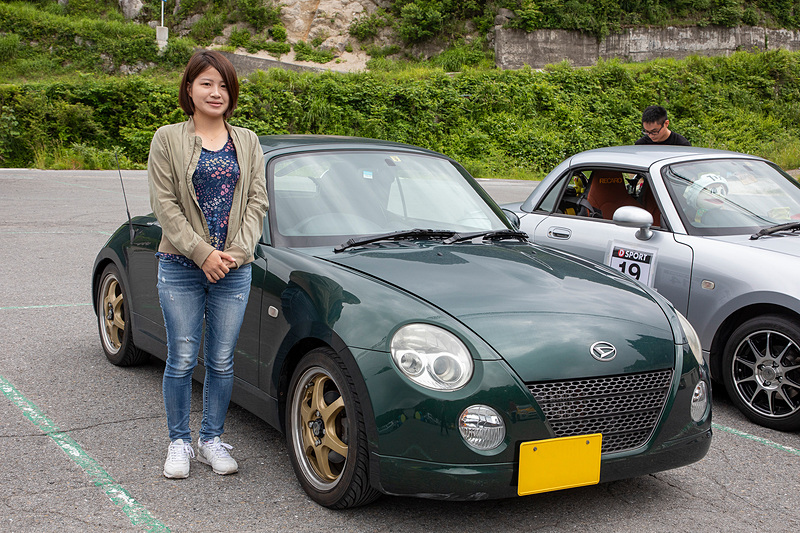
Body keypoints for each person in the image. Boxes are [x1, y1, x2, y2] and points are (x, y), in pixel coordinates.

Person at [147, 50, 268, 479]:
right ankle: (179, 442)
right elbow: (164, 206)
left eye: (223, 85)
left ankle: (211, 438)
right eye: (206, 83)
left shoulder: (248, 141)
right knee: (181, 357)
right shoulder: (167, 138)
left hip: (234, 269)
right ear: (189, 89)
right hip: (181, 265)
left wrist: (234, 254)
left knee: (221, 360)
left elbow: (257, 201)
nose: (215, 92)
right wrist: (202, 253)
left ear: (231, 93)